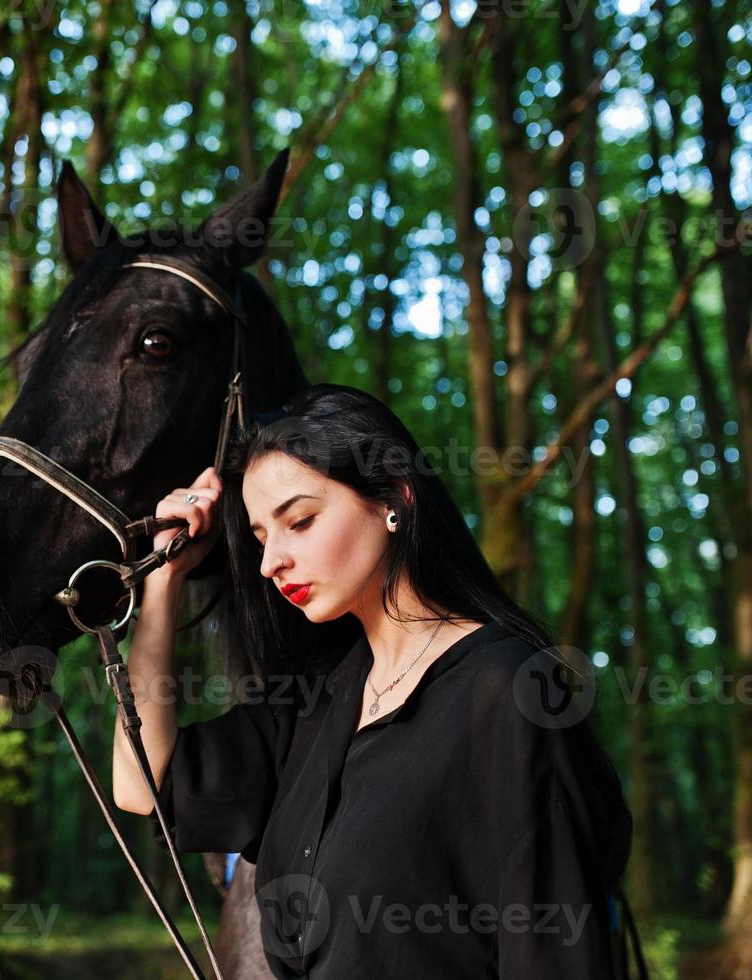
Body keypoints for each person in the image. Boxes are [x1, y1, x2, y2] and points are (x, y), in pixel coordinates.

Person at [111, 383, 633, 978]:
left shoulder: (508, 692)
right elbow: (141, 786)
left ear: (394, 499)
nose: (270, 561)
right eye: (260, 537)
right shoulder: (313, 701)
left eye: (299, 522)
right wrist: (164, 582)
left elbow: (555, 955)